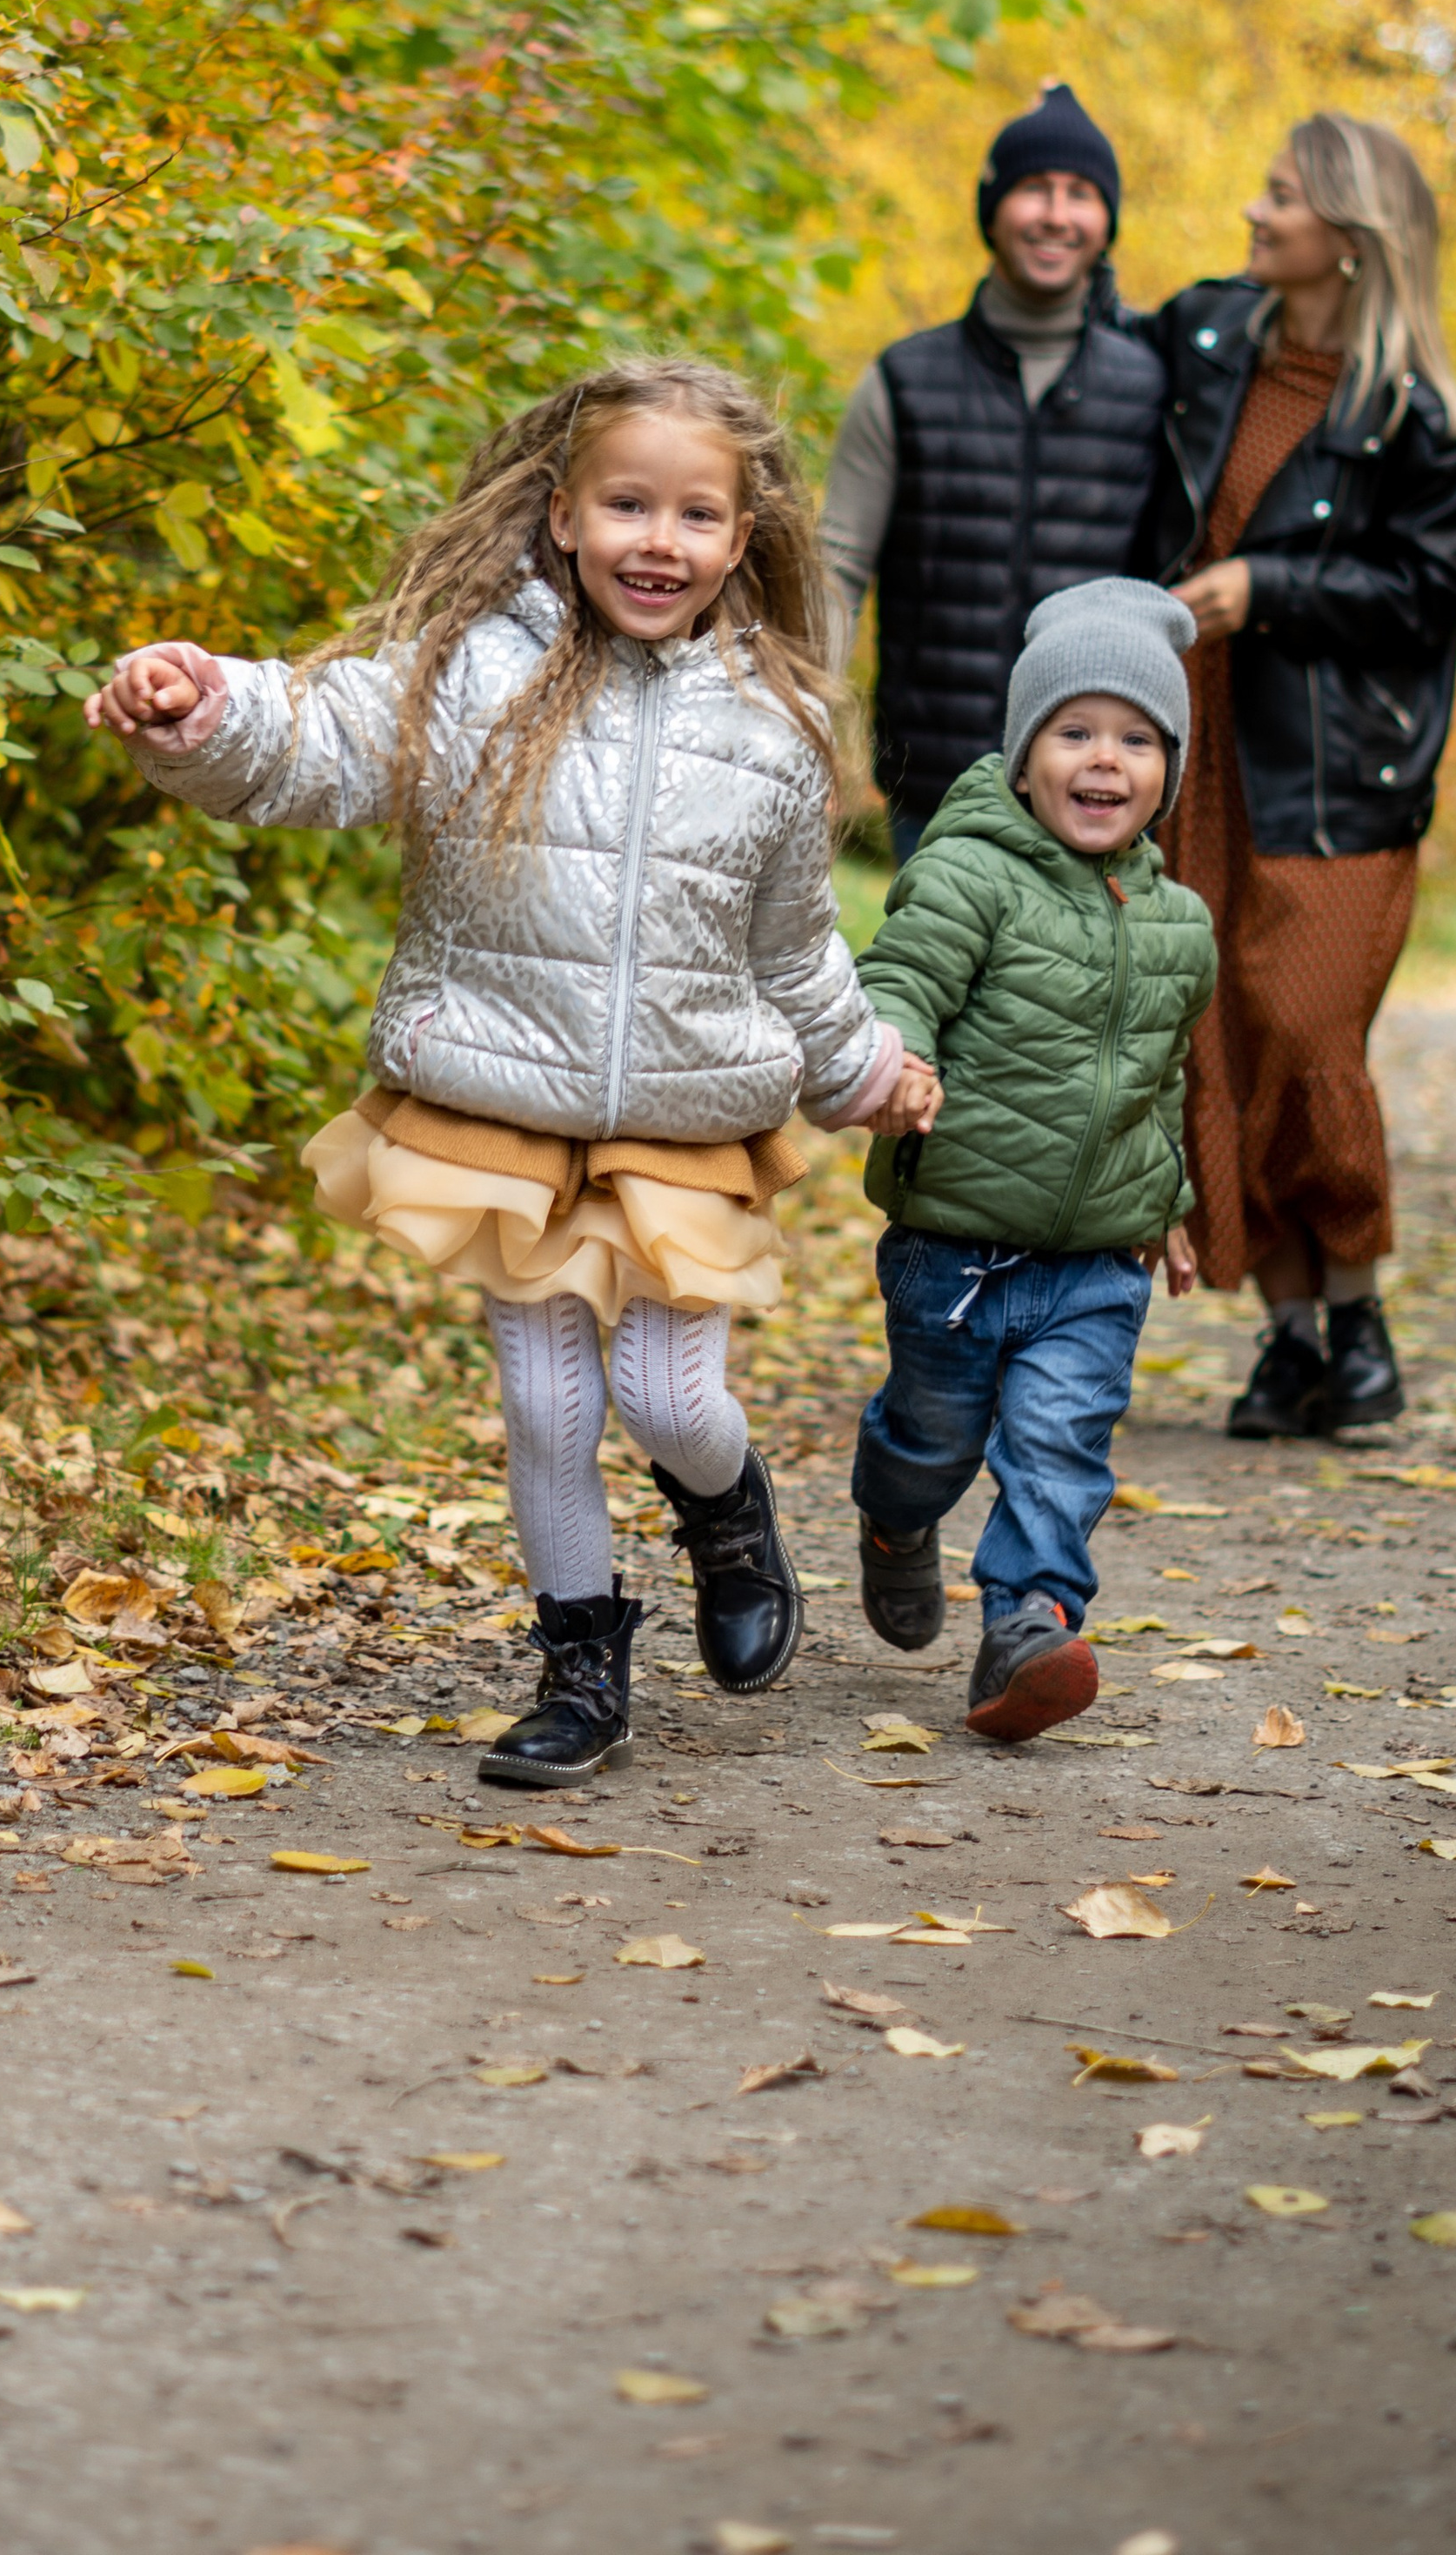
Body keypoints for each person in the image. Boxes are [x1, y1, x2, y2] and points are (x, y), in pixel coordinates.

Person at [86, 359, 911, 1789]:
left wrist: (865, 1071)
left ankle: (727, 1511)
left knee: (669, 1402)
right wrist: (205, 709)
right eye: (629, 505)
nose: (661, 541)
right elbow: (314, 738)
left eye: (697, 515)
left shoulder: (772, 731)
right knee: (547, 1407)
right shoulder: (472, 674)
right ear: (561, 516)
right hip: (500, 1098)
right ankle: (580, 1660)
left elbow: (797, 949)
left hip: (687, 1111)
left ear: (742, 533)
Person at [1139, 116, 1456, 1441]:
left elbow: (1429, 591)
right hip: (1201, 741)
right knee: (1213, 1032)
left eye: (1277, 197)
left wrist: (1266, 588)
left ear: (1348, 234)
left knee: (1303, 1028)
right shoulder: (1214, 344)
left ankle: (1359, 1310)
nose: (1251, 211)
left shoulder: (1420, 414)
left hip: (1340, 770)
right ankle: (1289, 1343)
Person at [843, 580, 1218, 1742]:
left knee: (1061, 1449)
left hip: (1094, 1265)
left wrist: (1171, 1202)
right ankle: (895, 1522)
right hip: (955, 1245)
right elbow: (900, 973)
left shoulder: (1182, 925)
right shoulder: (970, 873)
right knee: (933, 1440)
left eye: (1137, 739)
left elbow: (1156, 1085)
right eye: (1075, 732)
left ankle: (1029, 1626)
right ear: (1022, 753)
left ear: (1170, 764)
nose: (1105, 761)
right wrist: (891, 1058)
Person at [819, 82, 1165, 859]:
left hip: (1097, 793)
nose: (1055, 214)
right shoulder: (905, 380)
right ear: (992, 210)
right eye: (1033, 189)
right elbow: (834, 567)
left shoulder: (1152, 389)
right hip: (936, 788)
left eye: (1081, 194)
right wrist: (803, 724)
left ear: (1107, 221)